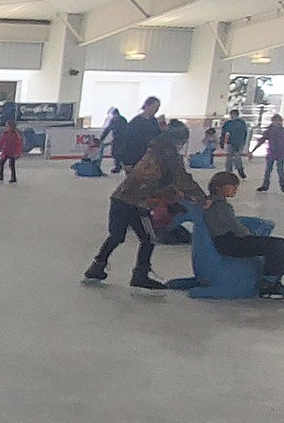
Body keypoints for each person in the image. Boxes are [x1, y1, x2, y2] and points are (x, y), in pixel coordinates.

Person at [83, 120, 208, 290]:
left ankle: (97, 266)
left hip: (121, 196)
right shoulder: (169, 155)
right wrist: (202, 198)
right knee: (149, 238)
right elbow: (182, 179)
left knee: (117, 235)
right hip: (139, 202)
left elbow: (160, 179)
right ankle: (140, 274)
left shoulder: (153, 149)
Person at [204, 172, 284, 299]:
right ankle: (269, 282)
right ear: (220, 187)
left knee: (278, 244)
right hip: (229, 242)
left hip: (228, 240)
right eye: (232, 186)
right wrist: (249, 235)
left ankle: (272, 279)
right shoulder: (218, 206)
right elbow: (234, 226)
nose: (235, 189)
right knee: (277, 245)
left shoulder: (216, 203)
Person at [249, 114, 284, 193]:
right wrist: (253, 151)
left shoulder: (276, 131)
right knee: (270, 170)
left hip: (277, 153)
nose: (277, 123)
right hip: (275, 152)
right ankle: (277, 186)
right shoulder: (275, 131)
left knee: (277, 170)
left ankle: (278, 186)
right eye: (276, 121)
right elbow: (262, 141)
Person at [117, 97, 162, 170]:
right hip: (135, 157)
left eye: (157, 107)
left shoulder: (154, 122)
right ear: (147, 106)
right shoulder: (136, 121)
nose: (156, 110)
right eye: (154, 107)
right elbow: (128, 141)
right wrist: (127, 161)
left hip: (149, 158)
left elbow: (158, 138)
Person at [220, 109, 249, 178]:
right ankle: (229, 172)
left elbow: (244, 134)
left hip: (239, 143)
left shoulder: (241, 123)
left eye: (233, 114)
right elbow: (223, 132)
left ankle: (239, 169)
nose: (232, 116)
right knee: (229, 158)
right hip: (231, 142)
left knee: (237, 157)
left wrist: (242, 142)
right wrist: (222, 141)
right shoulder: (228, 123)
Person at [100, 107, 128, 173]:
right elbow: (108, 128)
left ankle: (118, 166)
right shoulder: (113, 120)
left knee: (119, 152)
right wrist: (102, 138)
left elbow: (124, 130)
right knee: (114, 152)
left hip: (122, 138)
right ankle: (118, 165)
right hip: (116, 138)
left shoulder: (122, 120)